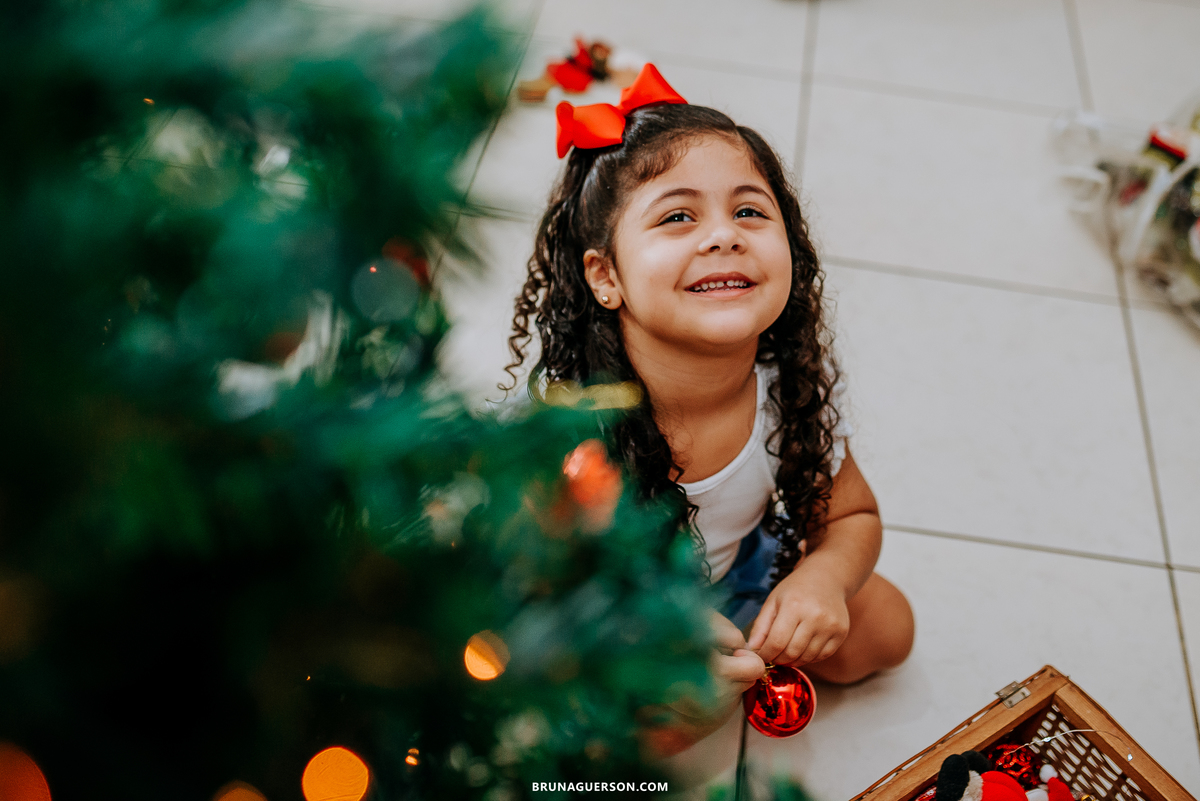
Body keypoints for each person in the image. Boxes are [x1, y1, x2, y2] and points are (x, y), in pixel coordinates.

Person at [505, 66, 915, 753]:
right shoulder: (573, 427)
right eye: (677, 216)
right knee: (661, 731)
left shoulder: (786, 386)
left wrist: (821, 579)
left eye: (750, 211)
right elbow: (544, 575)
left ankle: (757, 653)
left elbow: (852, 516)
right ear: (606, 276)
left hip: (749, 569)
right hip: (625, 606)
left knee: (888, 630)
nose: (725, 235)